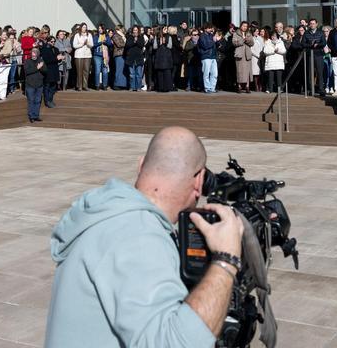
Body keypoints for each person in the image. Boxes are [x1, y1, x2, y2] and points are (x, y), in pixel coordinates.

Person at [45, 126, 245, 348]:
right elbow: (173, 342)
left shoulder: (109, 212)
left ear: (141, 165)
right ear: (198, 182)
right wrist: (226, 260)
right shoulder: (137, 233)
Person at [261, 28, 286, 93]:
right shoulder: (267, 42)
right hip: (270, 63)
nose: (273, 37)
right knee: (270, 77)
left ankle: (279, 89)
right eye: (272, 36)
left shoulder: (281, 42)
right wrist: (273, 51)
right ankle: (269, 89)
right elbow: (265, 51)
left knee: (278, 78)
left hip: (278, 63)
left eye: (274, 36)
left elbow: (284, 51)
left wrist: (278, 51)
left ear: (277, 36)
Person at [23, 47, 45, 123]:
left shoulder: (41, 60)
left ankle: (36, 116)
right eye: (33, 52)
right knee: (31, 100)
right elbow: (27, 71)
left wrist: (41, 68)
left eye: (36, 52)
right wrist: (37, 68)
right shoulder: (27, 61)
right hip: (30, 85)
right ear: (31, 53)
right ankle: (31, 116)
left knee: (38, 101)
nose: (34, 53)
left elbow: (45, 71)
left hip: (39, 84)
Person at [72, 24, 92, 91]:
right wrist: (82, 44)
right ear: (81, 28)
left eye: (85, 27)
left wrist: (87, 43)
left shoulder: (89, 35)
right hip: (79, 55)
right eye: (83, 27)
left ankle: (85, 86)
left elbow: (92, 45)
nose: (84, 28)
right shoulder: (77, 35)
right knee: (79, 71)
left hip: (87, 55)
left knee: (86, 71)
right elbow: (74, 45)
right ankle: (79, 86)